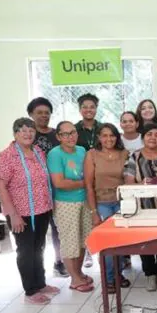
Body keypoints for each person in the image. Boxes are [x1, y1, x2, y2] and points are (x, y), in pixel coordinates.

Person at [0, 118, 59, 304]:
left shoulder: (37, 151)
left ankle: (40, 283)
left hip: (41, 209)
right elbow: (1, 186)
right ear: (15, 133)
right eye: (23, 130)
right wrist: (13, 215)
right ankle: (30, 291)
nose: (28, 134)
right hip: (20, 214)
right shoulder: (7, 156)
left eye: (31, 130)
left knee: (39, 248)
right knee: (25, 250)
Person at [124, 123, 157, 291]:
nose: (153, 137)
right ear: (143, 137)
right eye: (149, 134)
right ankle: (150, 273)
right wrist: (142, 183)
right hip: (143, 205)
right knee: (144, 240)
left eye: (156, 134)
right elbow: (128, 183)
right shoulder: (135, 157)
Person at [47, 121, 94, 292]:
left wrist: (84, 185)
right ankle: (74, 279)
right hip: (65, 203)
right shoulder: (55, 154)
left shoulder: (82, 151)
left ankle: (79, 273)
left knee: (83, 240)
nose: (70, 137)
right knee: (69, 241)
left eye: (72, 132)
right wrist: (85, 183)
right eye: (65, 134)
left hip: (85, 201)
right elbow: (59, 183)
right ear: (58, 136)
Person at [84, 123, 130, 293]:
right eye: (104, 135)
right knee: (108, 242)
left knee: (120, 242)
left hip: (122, 202)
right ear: (99, 138)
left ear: (117, 137)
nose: (108, 139)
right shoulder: (92, 155)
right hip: (102, 203)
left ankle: (118, 274)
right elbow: (89, 185)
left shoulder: (124, 154)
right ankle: (109, 278)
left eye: (112, 135)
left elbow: (129, 179)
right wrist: (93, 212)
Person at [27, 97, 67, 277]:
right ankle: (37, 270)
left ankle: (60, 261)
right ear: (31, 115)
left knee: (58, 226)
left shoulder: (56, 134)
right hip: (36, 191)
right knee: (39, 232)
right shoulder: (28, 135)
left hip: (59, 188)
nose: (44, 116)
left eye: (47, 113)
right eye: (39, 113)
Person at [74, 93, 101, 268]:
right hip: (79, 177)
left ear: (96, 109)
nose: (88, 110)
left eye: (92, 107)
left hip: (100, 178)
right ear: (80, 109)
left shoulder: (103, 128)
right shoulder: (74, 130)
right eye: (85, 107)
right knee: (86, 218)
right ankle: (88, 252)